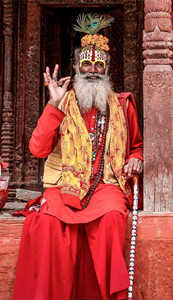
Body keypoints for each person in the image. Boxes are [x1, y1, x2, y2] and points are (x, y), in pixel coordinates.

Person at [13, 13, 143, 299]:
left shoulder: (122, 105)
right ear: (77, 67)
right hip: (64, 184)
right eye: (86, 64)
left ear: (107, 69)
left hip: (107, 184)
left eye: (99, 65)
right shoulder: (62, 102)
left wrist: (136, 158)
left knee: (111, 218)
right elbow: (38, 150)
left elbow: (136, 146)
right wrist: (54, 106)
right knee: (47, 224)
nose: (92, 70)